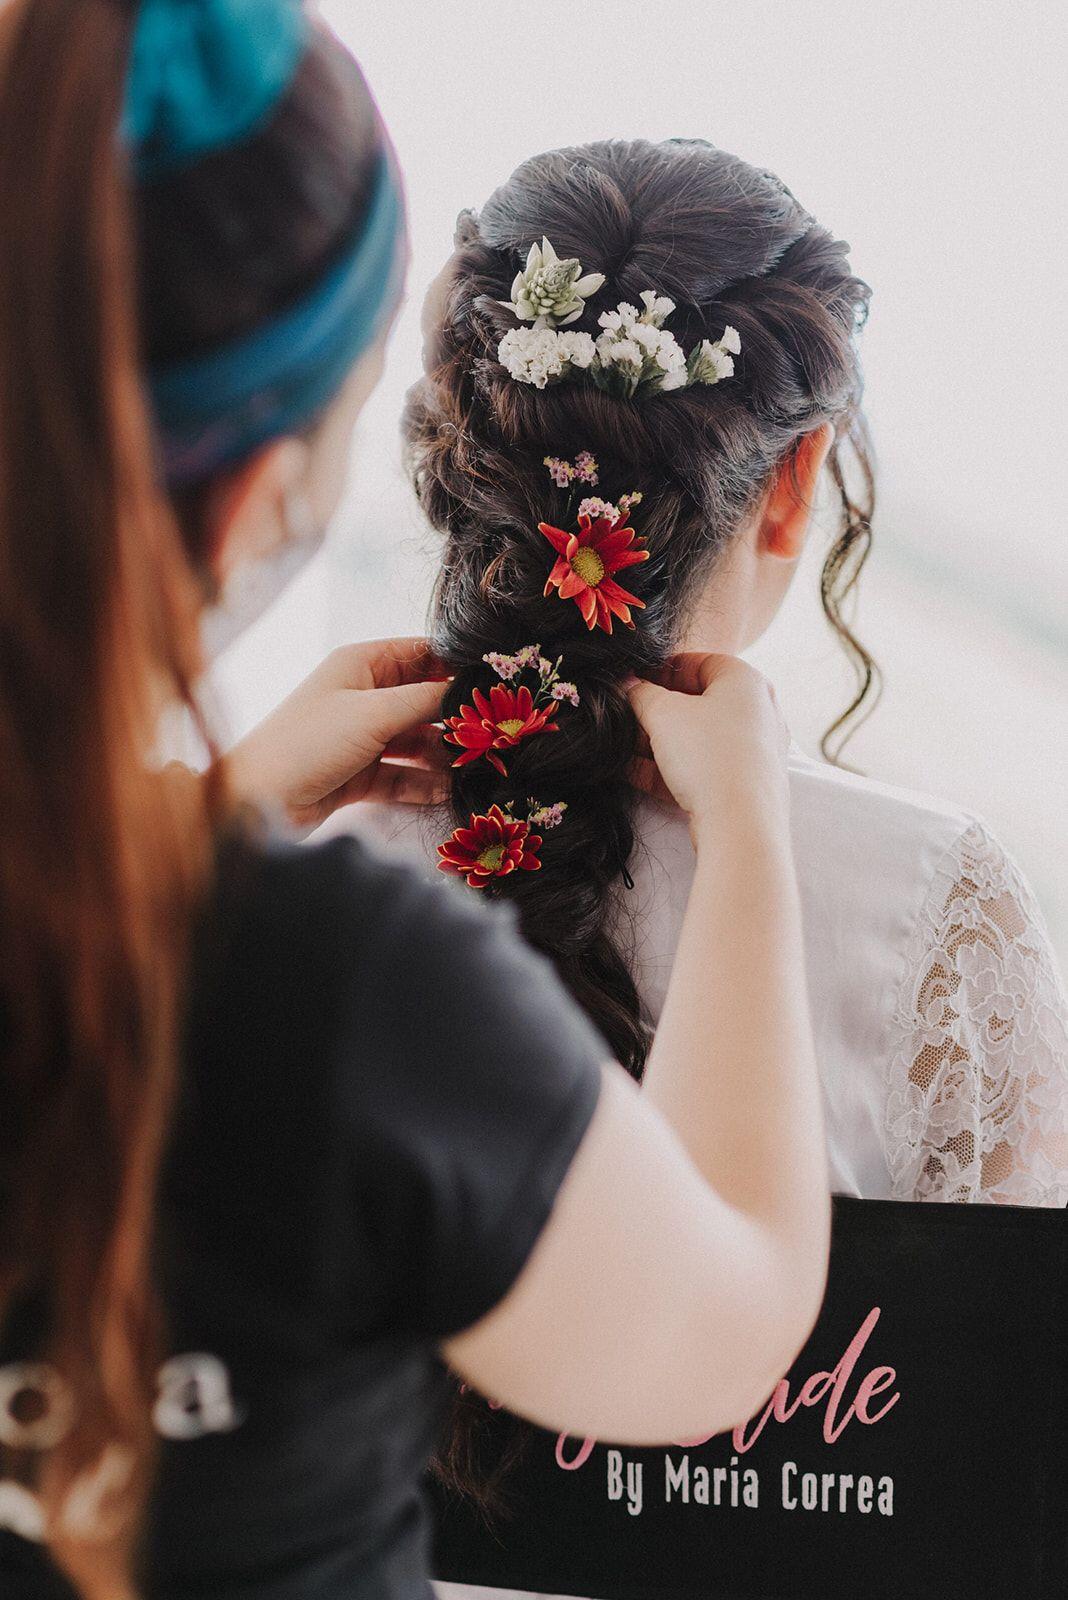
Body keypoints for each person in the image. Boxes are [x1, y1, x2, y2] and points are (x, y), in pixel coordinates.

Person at [0, 5, 832, 1599]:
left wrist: (204, 813)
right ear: (258, 496)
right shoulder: (327, 988)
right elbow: (717, 1332)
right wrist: (749, 847)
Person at [332, 133, 1068, 1515]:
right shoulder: (939, 902)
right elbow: (996, 1439)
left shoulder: (292, 867)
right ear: (794, 487)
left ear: (459, 454)